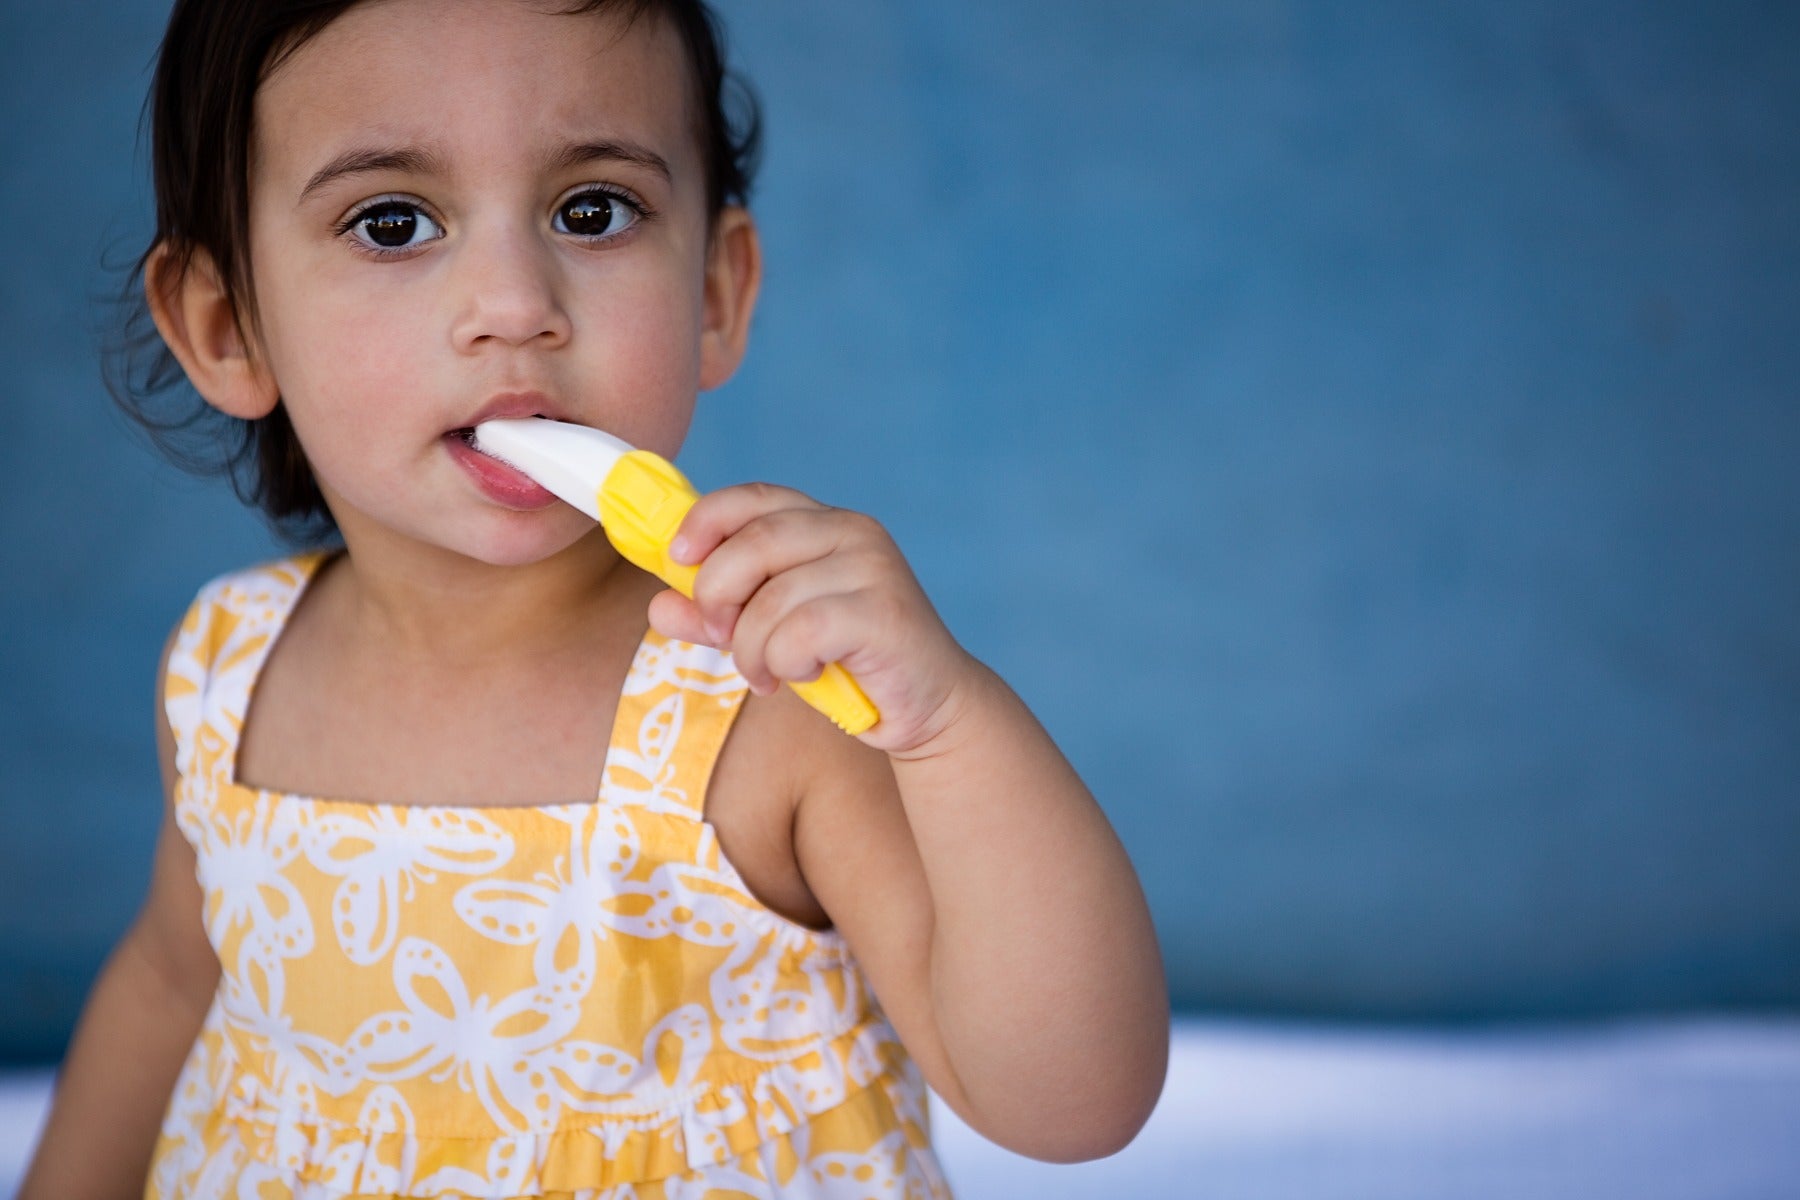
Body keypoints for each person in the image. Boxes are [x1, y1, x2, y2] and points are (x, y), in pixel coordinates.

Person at [21, 1, 1169, 1195]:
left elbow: (1071, 1105)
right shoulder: (230, 668)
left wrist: (948, 728)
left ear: (714, 292)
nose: (515, 303)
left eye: (593, 211)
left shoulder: (766, 691)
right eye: (393, 223)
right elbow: (171, 983)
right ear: (229, 328)